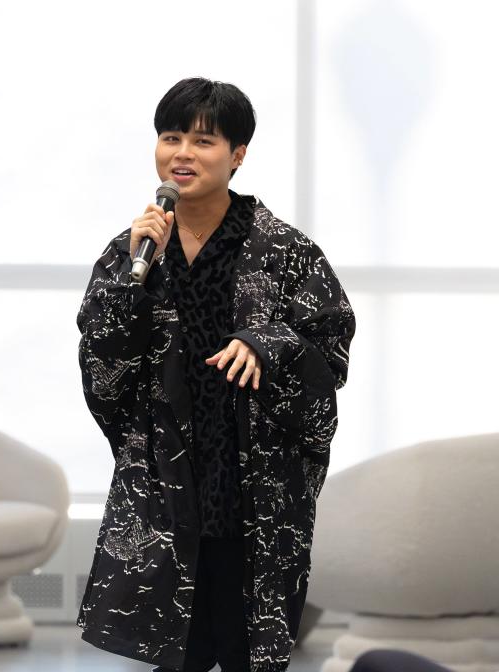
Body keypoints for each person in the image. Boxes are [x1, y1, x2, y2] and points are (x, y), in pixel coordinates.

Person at [76, 77, 355, 672]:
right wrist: (134, 281)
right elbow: (100, 362)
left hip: (253, 487)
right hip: (164, 482)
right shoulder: (130, 250)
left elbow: (330, 350)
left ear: (237, 156)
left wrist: (267, 342)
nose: (182, 153)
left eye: (202, 141)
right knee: (175, 654)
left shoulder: (286, 252)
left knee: (245, 648)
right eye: (170, 137)